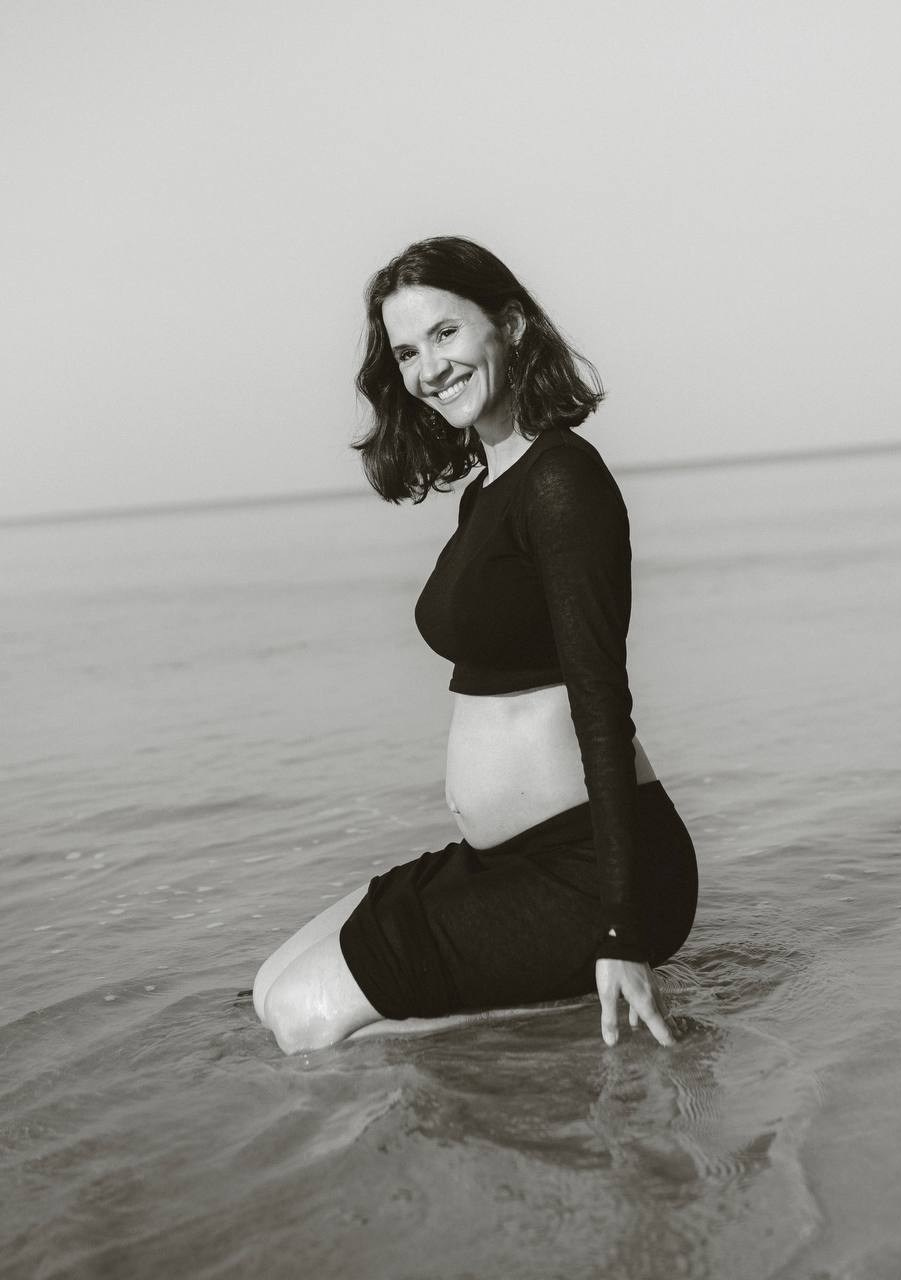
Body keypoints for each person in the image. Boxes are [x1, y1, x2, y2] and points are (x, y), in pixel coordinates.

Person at [253, 236, 698, 1053]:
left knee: (308, 1020)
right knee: (270, 989)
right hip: (504, 862)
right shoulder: (487, 491)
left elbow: (602, 701)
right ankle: (532, 1040)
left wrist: (620, 929)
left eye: (446, 333)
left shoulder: (562, 480)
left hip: (588, 869)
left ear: (512, 324)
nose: (430, 369)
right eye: (407, 353)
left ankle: (570, 1037)